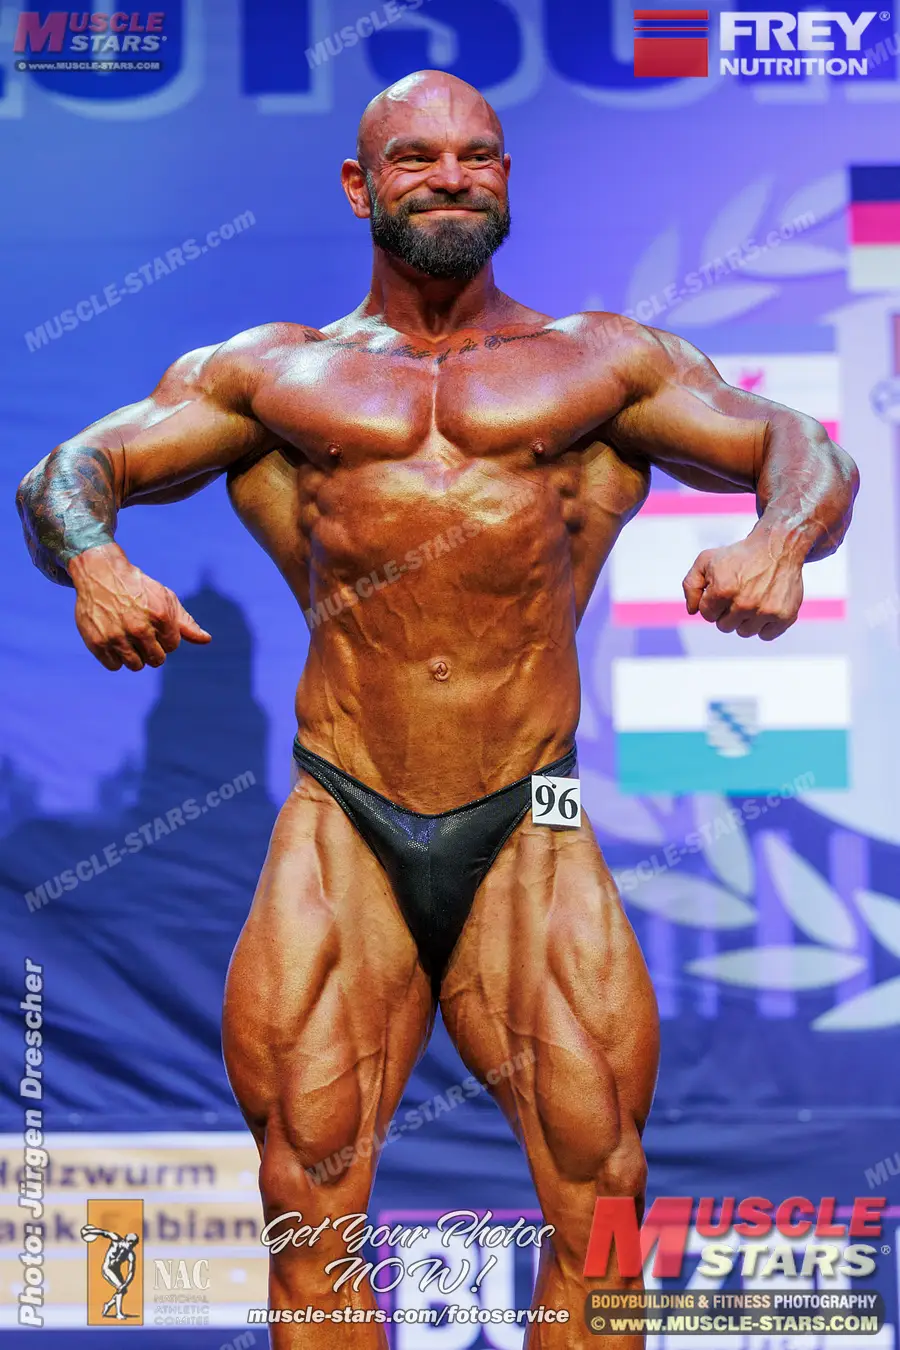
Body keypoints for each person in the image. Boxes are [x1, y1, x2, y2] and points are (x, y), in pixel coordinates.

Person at [18, 70, 856, 1348]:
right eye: (416, 157)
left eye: (478, 155)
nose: (452, 176)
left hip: (532, 815)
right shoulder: (270, 375)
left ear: (507, 178)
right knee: (305, 1198)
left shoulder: (605, 362)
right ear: (361, 186)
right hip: (343, 812)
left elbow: (805, 448)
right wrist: (96, 563)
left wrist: (780, 540)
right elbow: (68, 471)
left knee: (604, 1195)